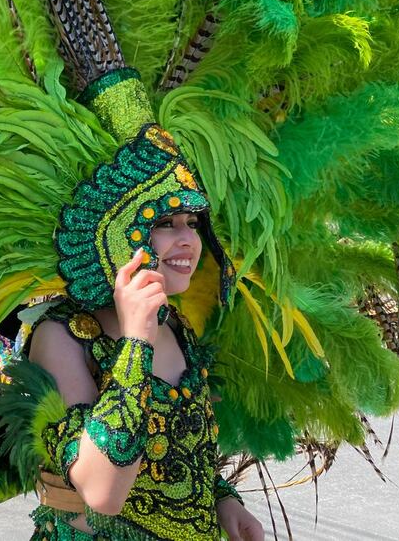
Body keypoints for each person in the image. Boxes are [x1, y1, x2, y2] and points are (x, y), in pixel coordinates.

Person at [22, 210, 264, 540]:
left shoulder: (176, 327)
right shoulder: (62, 336)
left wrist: (223, 500)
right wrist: (136, 342)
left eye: (192, 224)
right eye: (165, 223)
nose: (189, 240)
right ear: (111, 230)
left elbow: (181, 453)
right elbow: (101, 492)